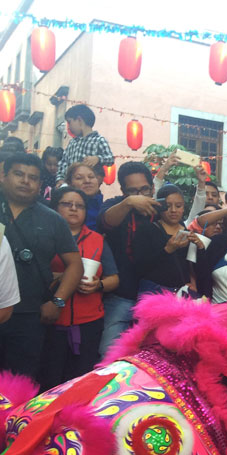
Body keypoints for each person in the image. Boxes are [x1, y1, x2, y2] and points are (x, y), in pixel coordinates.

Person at [0, 152, 83, 378]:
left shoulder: (52, 219)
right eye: (19, 174)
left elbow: (75, 265)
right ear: (3, 175)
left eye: (33, 177)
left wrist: (57, 302)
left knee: (21, 382)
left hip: (30, 316)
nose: (26, 181)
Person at [39, 186, 119, 388]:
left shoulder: (98, 239)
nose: (74, 209)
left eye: (80, 206)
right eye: (67, 204)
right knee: (50, 378)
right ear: (55, 207)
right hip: (51, 320)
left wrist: (98, 284)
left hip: (88, 323)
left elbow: (114, 278)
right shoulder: (43, 236)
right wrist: (60, 277)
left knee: (81, 380)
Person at [96, 162, 163, 355]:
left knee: (153, 357)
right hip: (121, 296)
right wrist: (128, 203)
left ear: (152, 187)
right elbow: (105, 222)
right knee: (109, 354)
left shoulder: (161, 209)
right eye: (133, 192)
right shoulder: (116, 206)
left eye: (144, 190)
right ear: (123, 191)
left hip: (154, 299)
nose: (140, 196)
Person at [133, 183, 204, 297]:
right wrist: (167, 250)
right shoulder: (148, 229)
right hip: (155, 294)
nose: (173, 210)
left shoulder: (187, 231)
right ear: (160, 206)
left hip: (181, 294)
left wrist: (200, 247)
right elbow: (140, 266)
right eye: (168, 206)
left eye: (178, 206)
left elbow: (193, 267)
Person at [55, 104, 115, 184]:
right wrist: (60, 179)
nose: (69, 127)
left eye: (70, 122)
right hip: (72, 186)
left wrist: (98, 158)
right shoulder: (72, 143)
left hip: (89, 186)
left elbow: (110, 158)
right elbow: (63, 162)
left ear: (79, 120)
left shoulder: (98, 140)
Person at [65, 162, 104, 230]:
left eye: (91, 177)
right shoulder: (65, 210)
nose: (87, 181)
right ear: (70, 184)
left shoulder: (107, 208)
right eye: (79, 178)